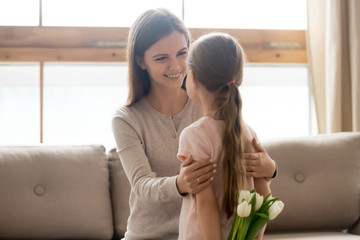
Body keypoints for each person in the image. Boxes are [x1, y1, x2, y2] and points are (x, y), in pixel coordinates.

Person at [112, 8, 276, 240]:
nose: (176, 66)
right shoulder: (126, 119)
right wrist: (180, 184)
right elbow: (141, 186)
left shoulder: (210, 103)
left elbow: (245, 167)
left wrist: (270, 169)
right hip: (148, 235)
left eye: (182, 53)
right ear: (141, 60)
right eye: (161, 58)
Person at [177, 32, 270, 240]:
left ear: (192, 77)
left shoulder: (193, 136)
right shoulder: (248, 132)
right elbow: (263, 196)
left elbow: (206, 203)